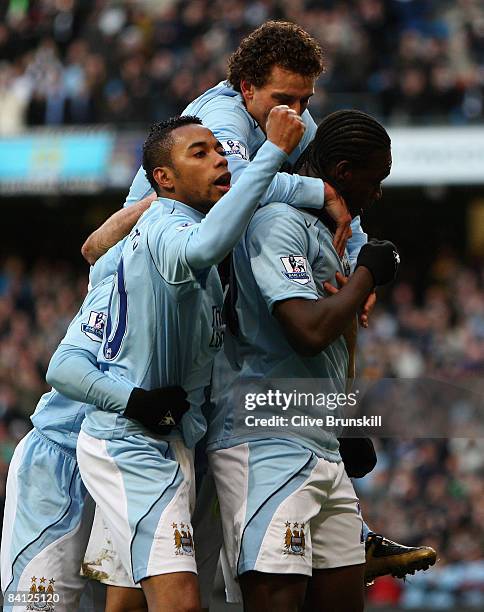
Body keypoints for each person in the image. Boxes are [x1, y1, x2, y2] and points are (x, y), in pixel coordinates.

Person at [78, 19, 434, 584]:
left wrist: (353, 257)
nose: (294, 112)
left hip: (203, 279)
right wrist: (320, 193)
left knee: (324, 315)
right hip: (152, 280)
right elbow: (242, 184)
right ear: (245, 88)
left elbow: (333, 178)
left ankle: (345, 503)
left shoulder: (289, 117)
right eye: (282, 99)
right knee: (161, 534)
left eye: (304, 99)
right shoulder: (218, 120)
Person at [69, 108, 305, 611]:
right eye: (200, 153)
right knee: (179, 602)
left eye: (220, 150)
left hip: (172, 439)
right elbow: (201, 247)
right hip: (129, 440)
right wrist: (274, 152)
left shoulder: (171, 248)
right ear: (165, 180)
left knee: (130, 600)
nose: (219, 159)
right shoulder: (166, 225)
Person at [206, 110, 429, 612]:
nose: (379, 192)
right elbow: (307, 331)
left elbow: (337, 334)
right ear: (345, 173)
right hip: (265, 442)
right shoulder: (277, 221)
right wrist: (368, 275)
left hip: (321, 443)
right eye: (377, 179)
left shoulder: (335, 230)